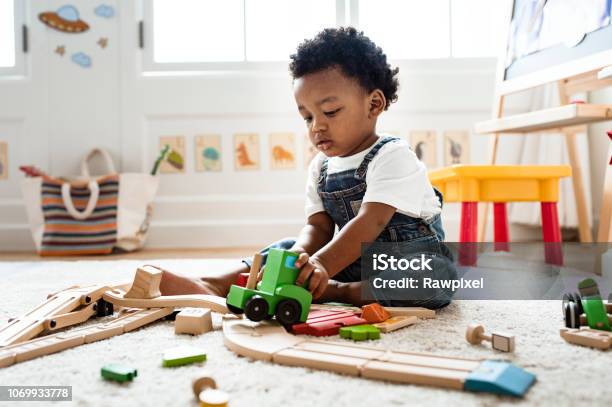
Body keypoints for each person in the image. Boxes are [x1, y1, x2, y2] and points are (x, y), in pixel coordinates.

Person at [160, 27, 455, 308]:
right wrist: (299, 258)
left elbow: (370, 223)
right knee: (287, 247)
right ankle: (217, 283)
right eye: (307, 117)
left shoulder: (393, 156)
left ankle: (335, 292)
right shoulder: (321, 167)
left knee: (434, 277)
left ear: (374, 104)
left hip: (406, 263)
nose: (317, 126)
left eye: (330, 112)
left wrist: (322, 265)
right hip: (349, 261)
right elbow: (318, 228)